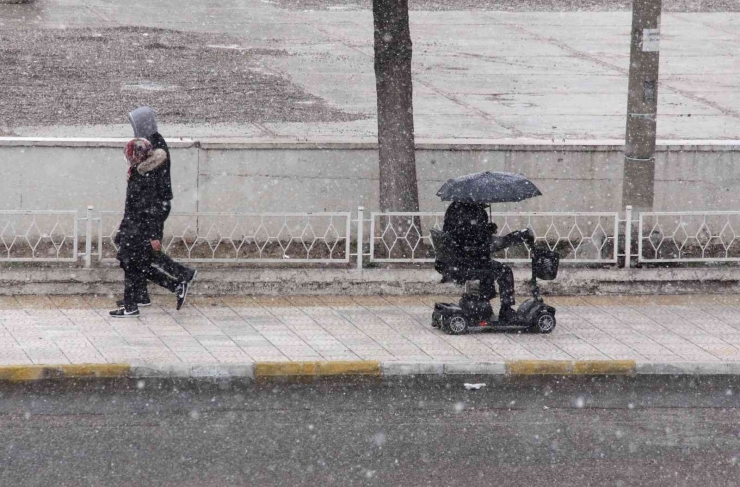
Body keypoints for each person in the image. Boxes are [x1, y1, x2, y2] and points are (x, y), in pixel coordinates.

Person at [127, 106, 196, 309]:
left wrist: (154, 233)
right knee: (136, 254)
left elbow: (153, 192)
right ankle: (144, 294)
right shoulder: (153, 143)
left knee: (140, 253)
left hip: (154, 208)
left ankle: (179, 278)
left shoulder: (156, 149)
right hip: (151, 209)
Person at [111, 139, 185, 317]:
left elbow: (149, 209)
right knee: (138, 267)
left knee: (132, 266)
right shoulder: (139, 173)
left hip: (137, 231)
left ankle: (131, 306)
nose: (128, 158)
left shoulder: (145, 177)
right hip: (133, 229)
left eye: (130, 154)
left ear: (137, 155)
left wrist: (154, 236)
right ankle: (174, 286)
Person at [442, 202, 532, 322]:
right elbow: (474, 241)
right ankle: (506, 309)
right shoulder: (471, 212)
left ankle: (483, 302)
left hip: (460, 260)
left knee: (490, 267)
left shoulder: (456, 208)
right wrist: (487, 234)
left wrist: (485, 231)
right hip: (468, 261)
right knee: (504, 271)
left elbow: (465, 235)